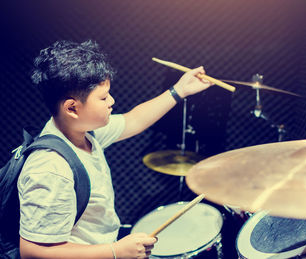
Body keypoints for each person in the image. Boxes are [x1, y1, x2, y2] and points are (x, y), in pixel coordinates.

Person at [17, 40, 212, 259]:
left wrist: (179, 90)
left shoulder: (84, 132)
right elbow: (32, 252)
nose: (112, 101)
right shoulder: (51, 168)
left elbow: (134, 120)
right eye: (103, 97)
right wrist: (114, 252)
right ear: (72, 108)